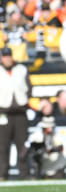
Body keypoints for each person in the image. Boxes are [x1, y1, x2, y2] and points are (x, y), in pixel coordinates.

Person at [0, 47, 31, 179]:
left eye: (9, 56)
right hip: (3, 113)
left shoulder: (21, 69)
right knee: (2, 147)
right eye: (5, 56)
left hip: (20, 113)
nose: (7, 58)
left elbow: (29, 88)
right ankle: (2, 174)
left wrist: (25, 102)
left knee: (22, 145)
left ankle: (24, 174)